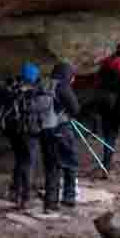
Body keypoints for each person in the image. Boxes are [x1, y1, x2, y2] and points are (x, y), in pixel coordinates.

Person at [40, 62, 81, 212]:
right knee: (70, 162)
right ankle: (69, 197)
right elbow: (75, 108)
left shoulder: (44, 85)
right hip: (61, 128)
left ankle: (50, 204)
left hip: (44, 130)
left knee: (51, 167)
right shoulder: (62, 87)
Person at [1, 63, 41, 209]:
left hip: (14, 132)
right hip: (30, 132)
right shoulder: (34, 92)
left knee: (19, 161)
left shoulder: (12, 89)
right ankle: (25, 197)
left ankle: (15, 192)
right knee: (28, 163)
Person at [96, 43, 120, 177]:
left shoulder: (106, 63)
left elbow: (97, 82)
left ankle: (105, 167)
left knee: (109, 137)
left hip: (104, 105)